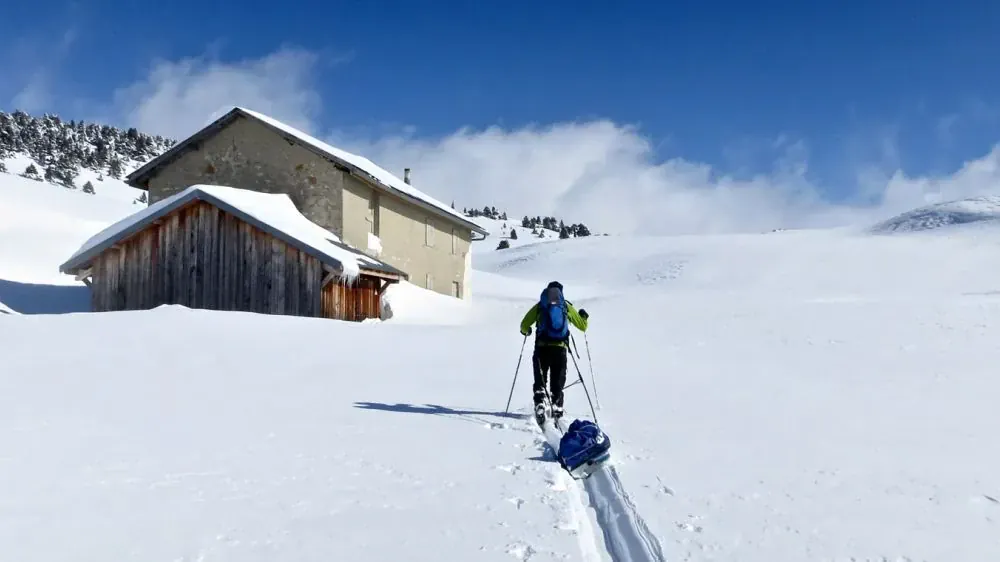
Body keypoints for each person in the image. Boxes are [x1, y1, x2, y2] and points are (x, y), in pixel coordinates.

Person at [519, 281, 589, 422]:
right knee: (558, 379)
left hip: (541, 347)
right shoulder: (565, 307)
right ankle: (557, 405)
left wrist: (526, 331)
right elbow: (582, 326)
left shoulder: (541, 306)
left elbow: (524, 325)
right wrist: (584, 317)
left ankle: (540, 402)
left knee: (540, 379)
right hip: (560, 349)